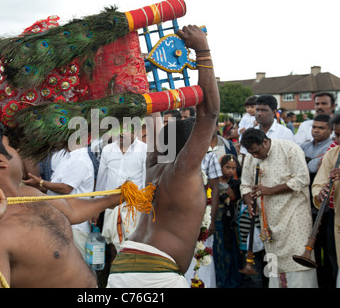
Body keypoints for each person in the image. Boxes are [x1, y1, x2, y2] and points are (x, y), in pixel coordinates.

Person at [0, 114, 122, 287]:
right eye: (9, 145)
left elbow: (71, 211)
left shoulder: (27, 192)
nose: (16, 151)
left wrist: (113, 199)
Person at [106, 24, 220, 288]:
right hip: (155, 275)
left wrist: (142, 74)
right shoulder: (183, 171)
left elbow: (152, 113)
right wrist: (203, 50)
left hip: (123, 264)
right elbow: (209, 113)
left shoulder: (153, 164)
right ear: (192, 149)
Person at [240, 128, 318, 288]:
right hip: (267, 219)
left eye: (256, 151)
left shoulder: (289, 148)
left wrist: (270, 190)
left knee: (297, 261)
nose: (255, 156)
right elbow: (245, 185)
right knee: (273, 263)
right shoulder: (250, 157)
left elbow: (302, 178)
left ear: (265, 141)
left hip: (294, 216)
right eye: (251, 153)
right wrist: (248, 201)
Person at [24, 143, 95, 261]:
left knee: (78, 264)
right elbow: (53, 188)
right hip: (61, 220)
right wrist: (34, 186)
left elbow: (66, 188)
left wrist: (41, 183)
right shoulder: (66, 157)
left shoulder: (80, 160)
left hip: (76, 225)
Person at [96, 127, 147, 253]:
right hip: (111, 207)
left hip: (133, 210)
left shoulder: (144, 150)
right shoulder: (108, 150)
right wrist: (96, 207)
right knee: (113, 248)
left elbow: (146, 183)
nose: (121, 133)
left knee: (132, 248)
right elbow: (101, 180)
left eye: (125, 129)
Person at [300, 113, 336, 288]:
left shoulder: (333, 148)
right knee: (310, 248)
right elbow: (303, 168)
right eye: (314, 127)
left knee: (327, 251)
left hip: (326, 208)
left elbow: (313, 167)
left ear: (330, 130)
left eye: (321, 128)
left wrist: (309, 163)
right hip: (306, 205)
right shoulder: (304, 146)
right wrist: (311, 162)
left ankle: (327, 282)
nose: (316, 131)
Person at [312, 111, 340, 288]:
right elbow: (318, 183)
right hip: (339, 221)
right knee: (339, 267)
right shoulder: (333, 154)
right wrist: (320, 194)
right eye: (337, 134)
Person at [213, 154, 243, 288]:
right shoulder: (212, 181)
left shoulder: (235, 183)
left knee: (231, 254)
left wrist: (224, 192)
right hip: (217, 222)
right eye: (227, 167)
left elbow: (233, 198)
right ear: (220, 167)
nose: (231, 171)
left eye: (233, 168)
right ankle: (221, 281)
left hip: (230, 223)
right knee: (219, 253)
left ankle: (232, 282)